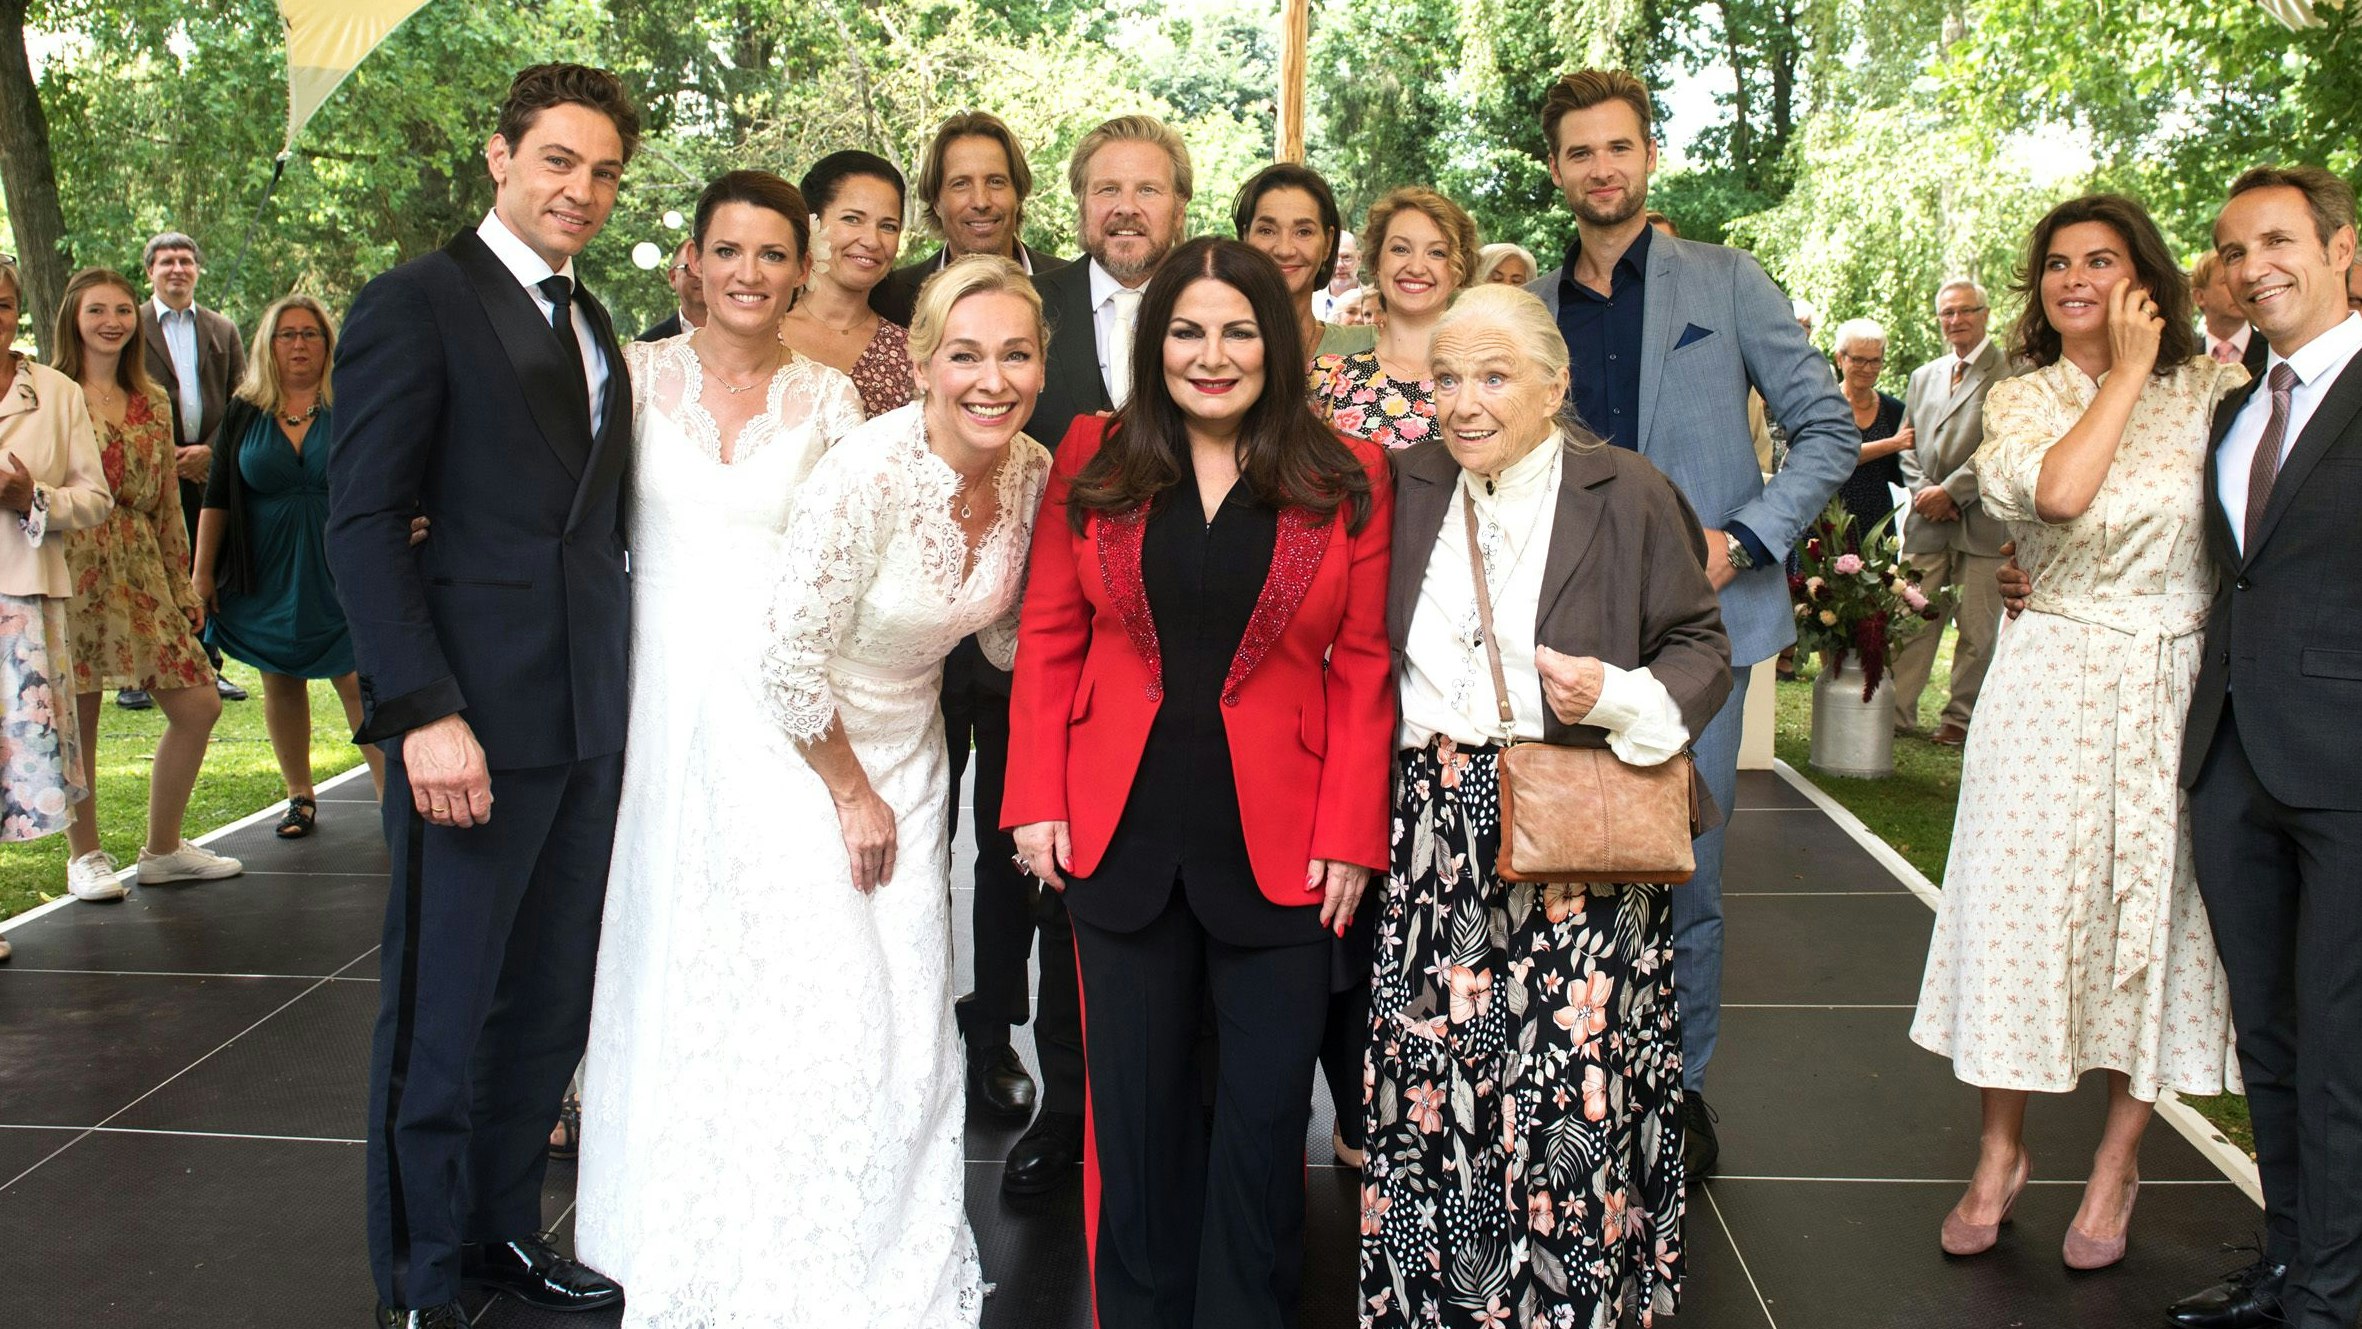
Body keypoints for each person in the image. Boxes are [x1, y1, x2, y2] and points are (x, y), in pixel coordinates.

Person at [583, 176, 1012, 1327]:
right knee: (669, 945)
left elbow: (860, 558)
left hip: (793, 708)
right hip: (662, 694)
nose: (752, 273)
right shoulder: (628, 378)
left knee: (800, 972)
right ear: (691, 259)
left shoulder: (831, 399)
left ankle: (818, 1212)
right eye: (730, 250)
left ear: (798, 266)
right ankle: (673, 1212)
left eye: (774, 254)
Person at [1004, 236, 1392, 1328]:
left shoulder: (1344, 472)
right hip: (1116, 835)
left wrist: (1355, 829)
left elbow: (1362, 664)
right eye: (1185, 331)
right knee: (1132, 1120)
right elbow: (1049, 633)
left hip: (1287, 847)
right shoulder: (1097, 454)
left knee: (1263, 1129)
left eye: (1236, 330)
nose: (1210, 356)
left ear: (1276, 340)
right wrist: (1035, 793)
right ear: (1152, 340)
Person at [327, 63, 641, 1328]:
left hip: (584, 722)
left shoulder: (597, 319)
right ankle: (418, 1274)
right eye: (558, 160)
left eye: (605, 171)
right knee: (440, 1012)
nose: (582, 188)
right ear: (501, 157)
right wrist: (421, 709)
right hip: (467, 722)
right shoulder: (418, 301)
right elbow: (358, 525)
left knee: (543, 1000)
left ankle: (503, 1233)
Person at [1363, 283, 1731, 1327]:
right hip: (1434, 826)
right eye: (1445, 379)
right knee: (1438, 1083)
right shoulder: (1404, 484)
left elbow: (1701, 643)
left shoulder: (1627, 489)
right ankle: (1436, 1303)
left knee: (1571, 1091)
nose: (1464, 403)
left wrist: (1618, 696)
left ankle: (1568, 1304)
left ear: (1555, 384)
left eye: (1492, 376)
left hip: (1578, 819)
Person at [1524, 68, 1856, 1178]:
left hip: (1697, 626)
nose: (1600, 168)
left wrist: (1745, 539)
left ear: (1647, 155)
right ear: (1557, 167)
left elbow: (1824, 431)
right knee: (1555, 858)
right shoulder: (1532, 304)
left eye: (1617, 146)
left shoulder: (1728, 281)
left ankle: (1679, 1090)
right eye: (1579, 151)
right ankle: (1566, 1083)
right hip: (1559, 625)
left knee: (1685, 867)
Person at [1911, 193, 2243, 1272]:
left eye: (2101, 260)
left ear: (2145, 277)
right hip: (2046, 681)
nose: (2075, 280)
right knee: (2021, 914)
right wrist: (2128, 376)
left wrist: (2169, 361)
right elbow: (2057, 496)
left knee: (2144, 919)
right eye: (2057, 264)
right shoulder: (2023, 399)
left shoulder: (2217, 392)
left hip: (2171, 686)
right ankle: (1999, 1152)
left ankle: (2116, 1162)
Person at [980, 112, 1193, 1198]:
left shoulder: (1215, 307)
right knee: (1056, 893)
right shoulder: (1033, 312)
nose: (1125, 206)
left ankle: (1163, 1114)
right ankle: (1066, 1111)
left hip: (1197, 672)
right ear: (1075, 206)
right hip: (1047, 654)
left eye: (1146, 188)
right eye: (1104, 187)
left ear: (1180, 205)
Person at [2168, 165, 2362, 1329]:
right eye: (2235, 250)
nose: (2253, 268)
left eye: (2279, 240)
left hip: (2346, 771)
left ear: (2344, 249)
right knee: (2276, 1041)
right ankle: (2291, 1266)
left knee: (2343, 1045)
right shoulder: (2238, 407)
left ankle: (2334, 1297)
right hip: (2234, 762)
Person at [53, 267, 242, 902]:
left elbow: (165, 503)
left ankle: (162, 850)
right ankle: (85, 857)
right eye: (96, 311)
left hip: (139, 563)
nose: (111, 321)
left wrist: (185, 583)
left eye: (122, 311)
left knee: (199, 703)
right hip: (68, 562)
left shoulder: (151, 398)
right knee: (78, 718)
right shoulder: (51, 393)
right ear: (72, 320)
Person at [193, 293, 385, 837]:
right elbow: (217, 496)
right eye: (287, 334)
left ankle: (390, 797)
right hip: (265, 568)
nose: (299, 344)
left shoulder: (352, 402)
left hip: (341, 564)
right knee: (279, 678)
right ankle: (298, 796)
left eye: (311, 334)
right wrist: (202, 573)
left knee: (357, 678)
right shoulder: (243, 410)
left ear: (329, 344)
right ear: (267, 345)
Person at [0, 256, 115, 962]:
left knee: (14, 760)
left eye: (4, 303)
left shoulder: (55, 391)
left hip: (24, 594)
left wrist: (30, 497)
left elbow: (95, 496)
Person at [1889, 279, 2011, 745]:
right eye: (1947, 313)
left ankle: (1959, 718)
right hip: (1926, 521)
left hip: (1982, 522)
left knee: (1978, 629)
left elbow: (2002, 445)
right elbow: (1908, 444)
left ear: (1984, 314)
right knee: (1912, 617)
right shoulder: (1925, 375)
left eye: (1965, 311)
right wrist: (1924, 492)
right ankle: (1896, 711)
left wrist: (1953, 492)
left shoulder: (2010, 372)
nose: (1955, 320)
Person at [138, 231, 247, 707]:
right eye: (166, 262)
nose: (177, 269)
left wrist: (210, 452)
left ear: (198, 269)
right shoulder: (131, 325)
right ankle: (140, 673)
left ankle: (208, 663)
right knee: (151, 567)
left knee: (204, 566)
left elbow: (243, 401)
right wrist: (165, 455)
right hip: (149, 473)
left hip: (208, 471)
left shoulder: (222, 330)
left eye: (185, 261)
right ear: (150, 272)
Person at [1310, 186, 1477, 451]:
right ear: (1376, 262)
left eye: (1436, 253)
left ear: (1458, 270)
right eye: (1400, 249)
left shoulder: (1489, 380)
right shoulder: (1326, 379)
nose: (1416, 267)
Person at [871, 111, 1065, 327]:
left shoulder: (1075, 288)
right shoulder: (888, 299)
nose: (981, 202)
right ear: (936, 201)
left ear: (1018, 194)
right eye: (961, 184)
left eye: (996, 181)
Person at [779, 150, 913, 418]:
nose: (872, 241)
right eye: (852, 219)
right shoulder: (761, 331)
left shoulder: (910, 355)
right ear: (811, 223)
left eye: (888, 226)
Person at [1231, 160, 1376, 362]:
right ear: (1245, 237)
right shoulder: (1216, 348)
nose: (1284, 249)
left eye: (1303, 232)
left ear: (1327, 243)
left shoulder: (1366, 347)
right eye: (1267, 231)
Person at [1828, 317, 1911, 536]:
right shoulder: (1824, 406)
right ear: (1839, 359)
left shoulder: (1893, 409)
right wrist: (1894, 443)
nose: (1867, 368)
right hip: (1827, 522)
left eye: (1875, 361)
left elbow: (1906, 469)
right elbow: (1838, 456)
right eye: (1858, 360)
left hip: (1877, 523)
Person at [2192, 249, 2268, 374]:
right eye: (2227, 282)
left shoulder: (2273, 350)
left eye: (2241, 281)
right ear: (2199, 296)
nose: (2238, 290)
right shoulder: (2183, 358)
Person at [635, 239, 705, 342]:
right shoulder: (648, 345)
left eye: (706, 269)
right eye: (690, 268)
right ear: (673, 277)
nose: (701, 276)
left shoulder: (737, 332)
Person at [1311, 227, 1359, 322]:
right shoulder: (1309, 301)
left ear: (1359, 259)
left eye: (1346, 257)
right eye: (1334, 259)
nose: (1339, 265)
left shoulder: (1374, 300)